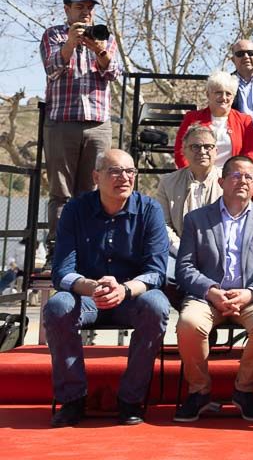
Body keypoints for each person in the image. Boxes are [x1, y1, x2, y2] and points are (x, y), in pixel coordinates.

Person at [43, 149, 169, 427]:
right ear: (96, 176)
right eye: (114, 171)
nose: (124, 178)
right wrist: (92, 287)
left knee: (157, 305)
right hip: (87, 296)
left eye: (130, 172)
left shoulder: (149, 210)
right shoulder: (75, 210)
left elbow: (156, 272)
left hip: (132, 296)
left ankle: (131, 399)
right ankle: (72, 399)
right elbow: (61, 270)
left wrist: (123, 290)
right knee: (57, 305)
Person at [173, 156, 253, 422]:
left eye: (248, 177)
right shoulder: (196, 219)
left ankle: (243, 390)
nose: (242, 181)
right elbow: (185, 268)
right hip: (208, 297)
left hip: (252, 297)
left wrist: (251, 292)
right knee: (188, 322)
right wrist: (211, 291)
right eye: (236, 175)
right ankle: (199, 391)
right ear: (222, 181)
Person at [41, 0, 121, 258]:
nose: (86, 13)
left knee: (95, 190)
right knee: (61, 191)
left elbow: (113, 73)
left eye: (89, 7)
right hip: (62, 121)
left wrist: (99, 49)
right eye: (80, 7)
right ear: (67, 10)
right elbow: (52, 69)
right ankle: (58, 248)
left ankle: (89, 249)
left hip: (97, 124)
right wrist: (70, 44)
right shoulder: (54, 34)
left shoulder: (102, 35)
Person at [153, 124, 222, 280]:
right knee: (162, 274)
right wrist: (181, 250)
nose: (202, 151)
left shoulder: (229, 180)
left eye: (208, 146)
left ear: (216, 151)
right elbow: (163, 224)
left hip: (220, 253)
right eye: (195, 147)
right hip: (178, 252)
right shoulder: (167, 182)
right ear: (184, 150)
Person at [173, 71, 253, 169]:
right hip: (198, 176)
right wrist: (192, 174)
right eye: (218, 93)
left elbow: (250, 156)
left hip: (232, 178)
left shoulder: (245, 121)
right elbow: (180, 151)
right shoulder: (192, 118)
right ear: (208, 95)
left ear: (234, 97)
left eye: (228, 94)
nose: (223, 97)